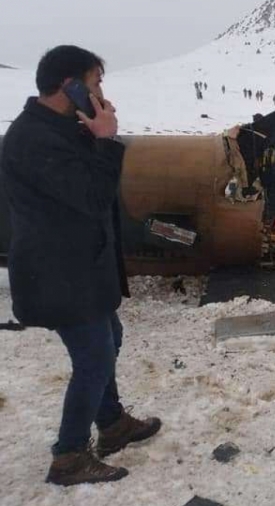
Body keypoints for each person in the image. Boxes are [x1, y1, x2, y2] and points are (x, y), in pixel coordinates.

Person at [0, 45, 161, 486]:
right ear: (67, 85)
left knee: (111, 336)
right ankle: (68, 457)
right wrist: (106, 142)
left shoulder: (60, 127)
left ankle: (111, 423)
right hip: (56, 273)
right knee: (93, 358)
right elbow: (91, 197)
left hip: (79, 265)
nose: (101, 92)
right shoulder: (34, 140)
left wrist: (95, 136)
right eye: (95, 83)